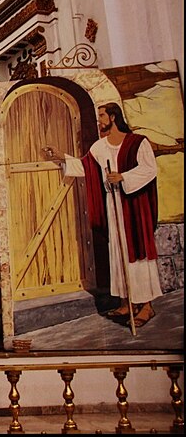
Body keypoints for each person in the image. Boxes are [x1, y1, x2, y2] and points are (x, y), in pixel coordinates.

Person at [44, 102, 161, 328]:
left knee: (138, 254)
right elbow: (85, 167)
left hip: (134, 205)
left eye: (102, 116)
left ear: (113, 117)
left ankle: (146, 305)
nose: (99, 121)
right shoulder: (99, 147)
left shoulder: (138, 142)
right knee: (119, 252)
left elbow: (149, 169)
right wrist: (61, 157)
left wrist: (124, 177)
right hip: (113, 204)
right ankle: (127, 302)